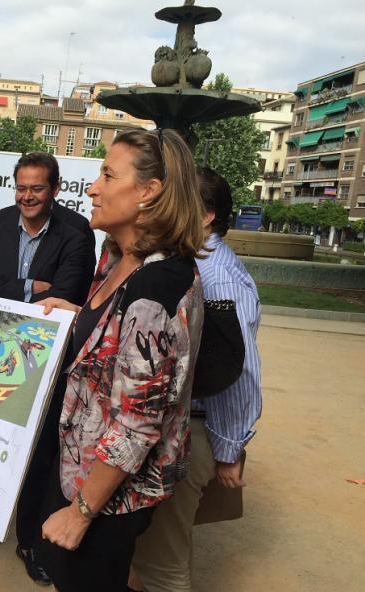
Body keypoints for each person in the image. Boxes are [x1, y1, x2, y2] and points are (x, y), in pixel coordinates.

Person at [35, 128, 205, 592]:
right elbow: (116, 343)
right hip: (81, 466)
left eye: (108, 175)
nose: (92, 187)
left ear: (149, 192)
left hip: (109, 497)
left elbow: (137, 424)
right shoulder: (118, 258)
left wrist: (80, 514)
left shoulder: (157, 286)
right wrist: (78, 316)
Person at [0, 151, 96, 585]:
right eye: (22, 187)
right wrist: (30, 287)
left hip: (47, 361)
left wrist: (2, 287)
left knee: (40, 454)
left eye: (37, 188)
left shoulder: (77, 232)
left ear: (55, 189)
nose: (27, 196)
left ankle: (30, 542)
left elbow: (65, 295)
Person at [129, 167, 262, 592]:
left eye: (174, 200)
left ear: (205, 217)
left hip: (197, 429)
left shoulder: (217, 275)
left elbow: (235, 369)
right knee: (148, 551)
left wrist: (228, 449)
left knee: (162, 564)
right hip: (183, 426)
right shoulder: (190, 262)